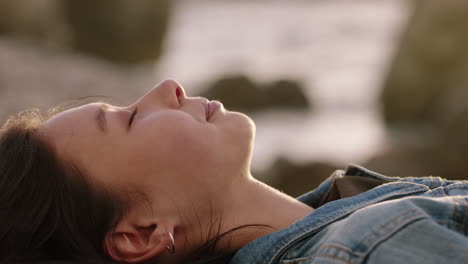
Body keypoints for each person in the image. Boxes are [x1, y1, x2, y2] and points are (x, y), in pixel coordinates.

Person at [1, 79, 467, 264]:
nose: (167, 87)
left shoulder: (347, 211)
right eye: (128, 118)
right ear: (140, 234)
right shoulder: (362, 251)